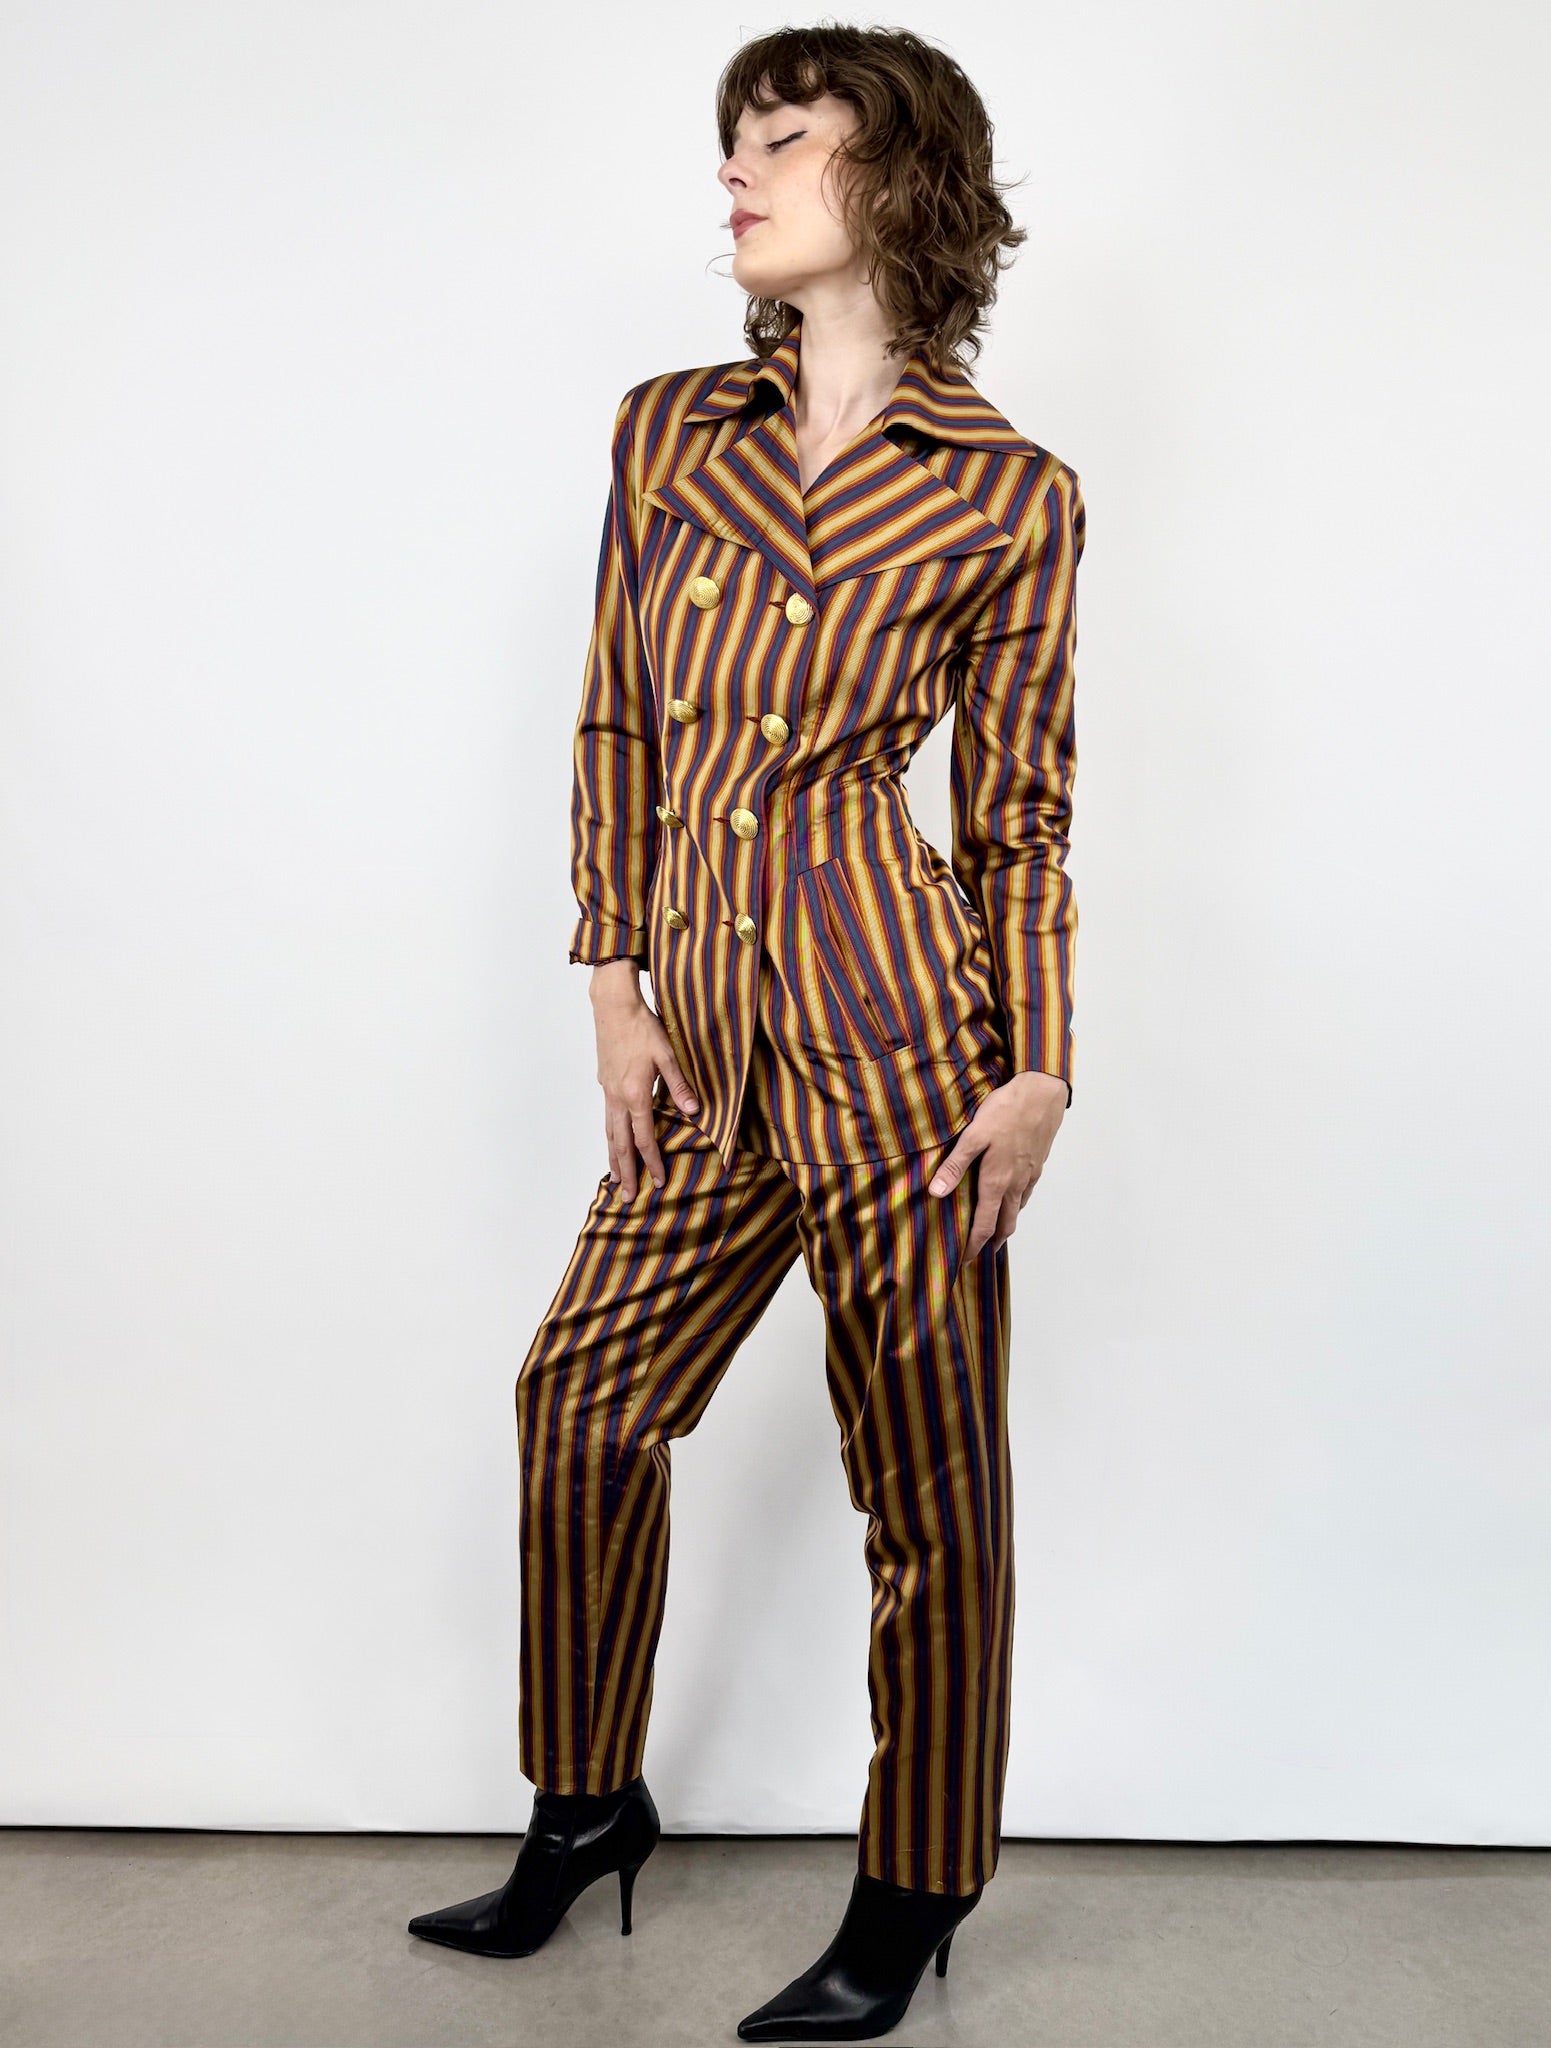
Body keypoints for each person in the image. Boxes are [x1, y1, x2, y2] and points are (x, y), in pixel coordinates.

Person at [409, 22, 1084, 2041]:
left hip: (900, 1042)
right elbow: (619, 717)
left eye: (785, 138)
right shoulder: (668, 432)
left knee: (928, 1489)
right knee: (581, 1402)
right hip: (698, 1042)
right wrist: (613, 983)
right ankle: (584, 1804)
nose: (739, 169)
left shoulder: (1010, 494)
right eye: (736, 139)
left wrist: (1036, 1067)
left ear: (896, 179)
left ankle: (915, 1883)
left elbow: (1021, 818)